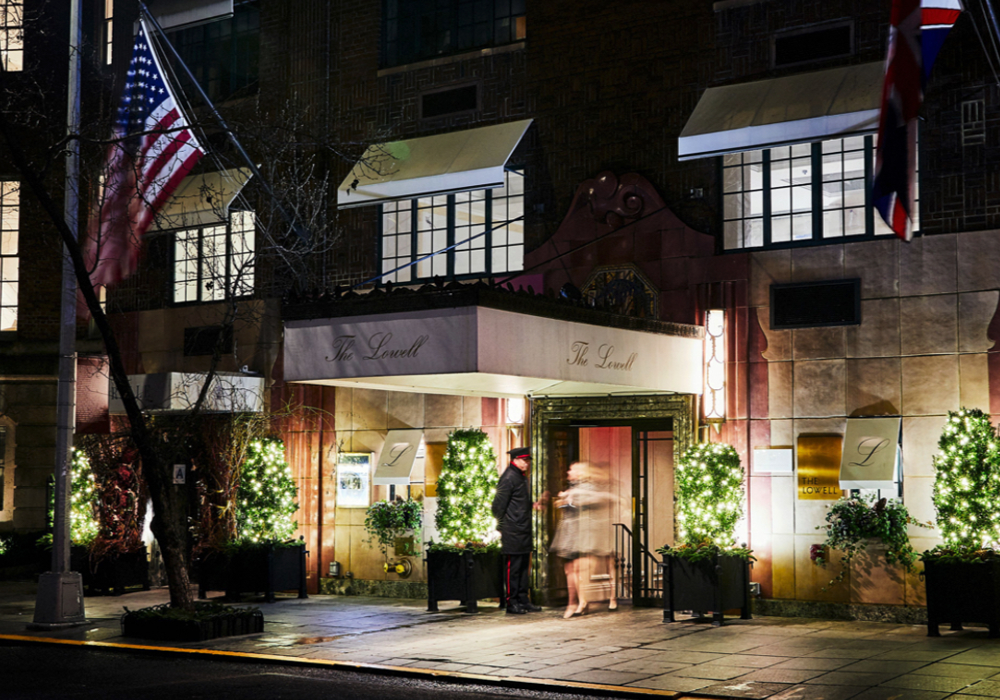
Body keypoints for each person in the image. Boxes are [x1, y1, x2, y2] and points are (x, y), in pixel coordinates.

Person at [491, 446, 543, 615]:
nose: (527, 463)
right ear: (515, 460)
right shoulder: (509, 477)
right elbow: (498, 505)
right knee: (513, 568)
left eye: (528, 460)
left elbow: (519, 501)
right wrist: (502, 526)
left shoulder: (521, 476)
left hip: (523, 528)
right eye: (524, 460)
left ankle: (523, 599)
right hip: (512, 530)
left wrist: (532, 505)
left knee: (522, 567)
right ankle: (511, 602)